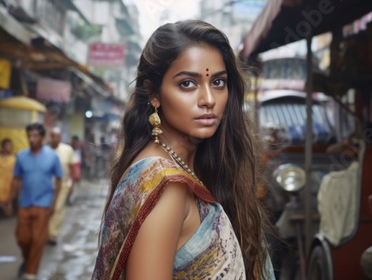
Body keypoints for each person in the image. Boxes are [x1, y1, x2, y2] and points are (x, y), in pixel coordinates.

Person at [92, 20, 275, 280]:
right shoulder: (168, 186)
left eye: (218, 82)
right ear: (153, 93)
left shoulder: (177, 168)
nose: (208, 100)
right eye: (187, 84)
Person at [9, 123, 63, 280]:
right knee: (22, 238)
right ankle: (27, 261)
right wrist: (10, 201)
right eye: (29, 136)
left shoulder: (52, 157)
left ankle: (30, 273)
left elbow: (59, 180)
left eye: (35, 136)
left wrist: (53, 203)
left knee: (38, 241)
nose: (32, 139)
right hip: (24, 203)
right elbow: (17, 179)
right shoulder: (21, 156)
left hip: (44, 204)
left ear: (42, 137)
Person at [47, 127, 74, 245]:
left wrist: (71, 183)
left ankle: (53, 234)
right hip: (47, 185)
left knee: (57, 208)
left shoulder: (67, 150)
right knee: (47, 208)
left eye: (57, 136)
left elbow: (71, 167)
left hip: (62, 184)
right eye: (53, 136)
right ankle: (45, 232)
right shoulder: (45, 150)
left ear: (61, 137)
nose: (55, 139)